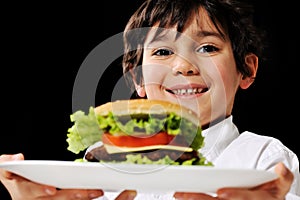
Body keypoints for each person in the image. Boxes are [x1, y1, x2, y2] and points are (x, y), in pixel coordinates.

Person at [1, 0, 299, 199]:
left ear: (246, 70)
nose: (184, 66)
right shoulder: (97, 169)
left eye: (207, 47)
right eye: (163, 52)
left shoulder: (265, 159)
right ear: (137, 80)